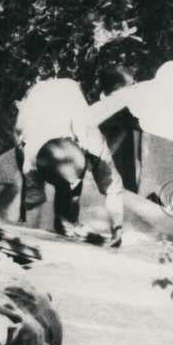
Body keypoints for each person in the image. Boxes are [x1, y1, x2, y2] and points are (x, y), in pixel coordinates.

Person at [15, 77, 124, 245]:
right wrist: (26, 234)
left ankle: (67, 223)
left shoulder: (93, 142)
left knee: (71, 188)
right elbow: (33, 197)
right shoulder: (31, 152)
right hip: (36, 101)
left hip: (69, 101)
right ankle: (60, 222)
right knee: (35, 195)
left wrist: (117, 229)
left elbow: (112, 186)